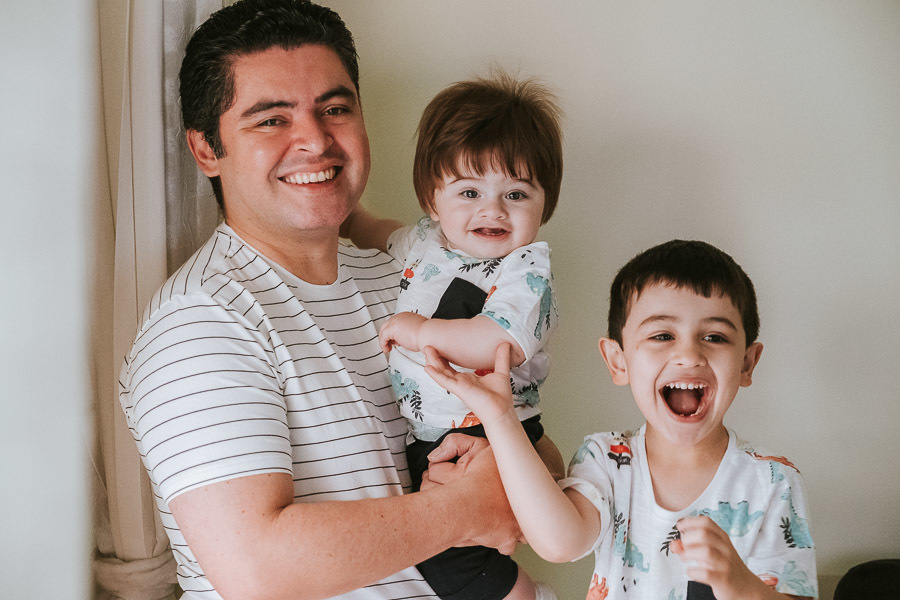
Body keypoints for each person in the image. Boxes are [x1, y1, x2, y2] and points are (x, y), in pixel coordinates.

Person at [117, 1, 563, 598]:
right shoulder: (202, 320)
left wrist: (515, 473)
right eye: (271, 120)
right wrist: (474, 504)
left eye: (334, 109)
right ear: (206, 150)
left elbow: (539, 459)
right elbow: (258, 569)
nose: (315, 140)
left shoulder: (411, 279)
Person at [426, 240, 818, 600]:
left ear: (747, 363)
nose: (689, 355)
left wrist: (741, 584)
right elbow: (560, 543)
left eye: (714, 337)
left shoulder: (774, 482)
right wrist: (501, 418)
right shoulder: (607, 459)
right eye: (662, 335)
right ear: (618, 361)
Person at [342, 73, 562, 600]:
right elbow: (380, 233)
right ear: (432, 199)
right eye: (469, 192)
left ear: (543, 203)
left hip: (494, 429)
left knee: (455, 558)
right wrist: (347, 217)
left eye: (516, 193)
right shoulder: (426, 240)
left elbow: (495, 342)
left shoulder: (526, 270)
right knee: (440, 548)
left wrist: (421, 332)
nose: (493, 210)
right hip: (432, 434)